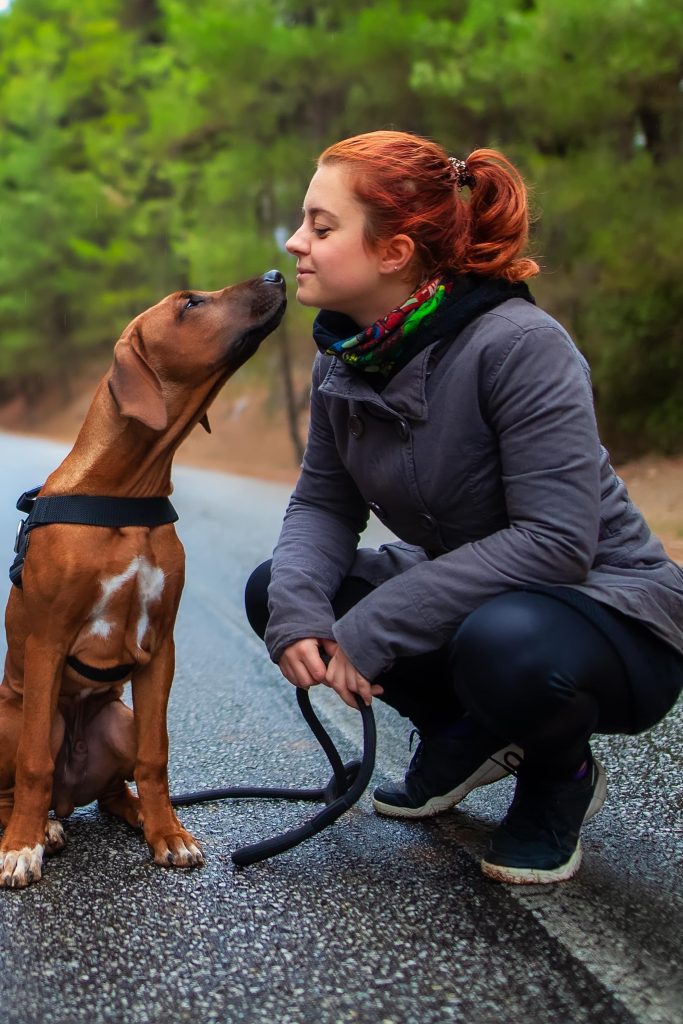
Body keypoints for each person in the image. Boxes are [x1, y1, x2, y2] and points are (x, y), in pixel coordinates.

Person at [244, 130, 683, 885]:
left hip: (607, 610)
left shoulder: (519, 344)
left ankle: (559, 780)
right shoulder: (344, 355)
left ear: (394, 252)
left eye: (321, 226)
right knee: (278, 586)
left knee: (501, 643)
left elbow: (555, 542)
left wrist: (377, 625)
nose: (295, 243)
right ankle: (460, 733)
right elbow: (322, 502)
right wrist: (298, 612)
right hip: (480, 594)